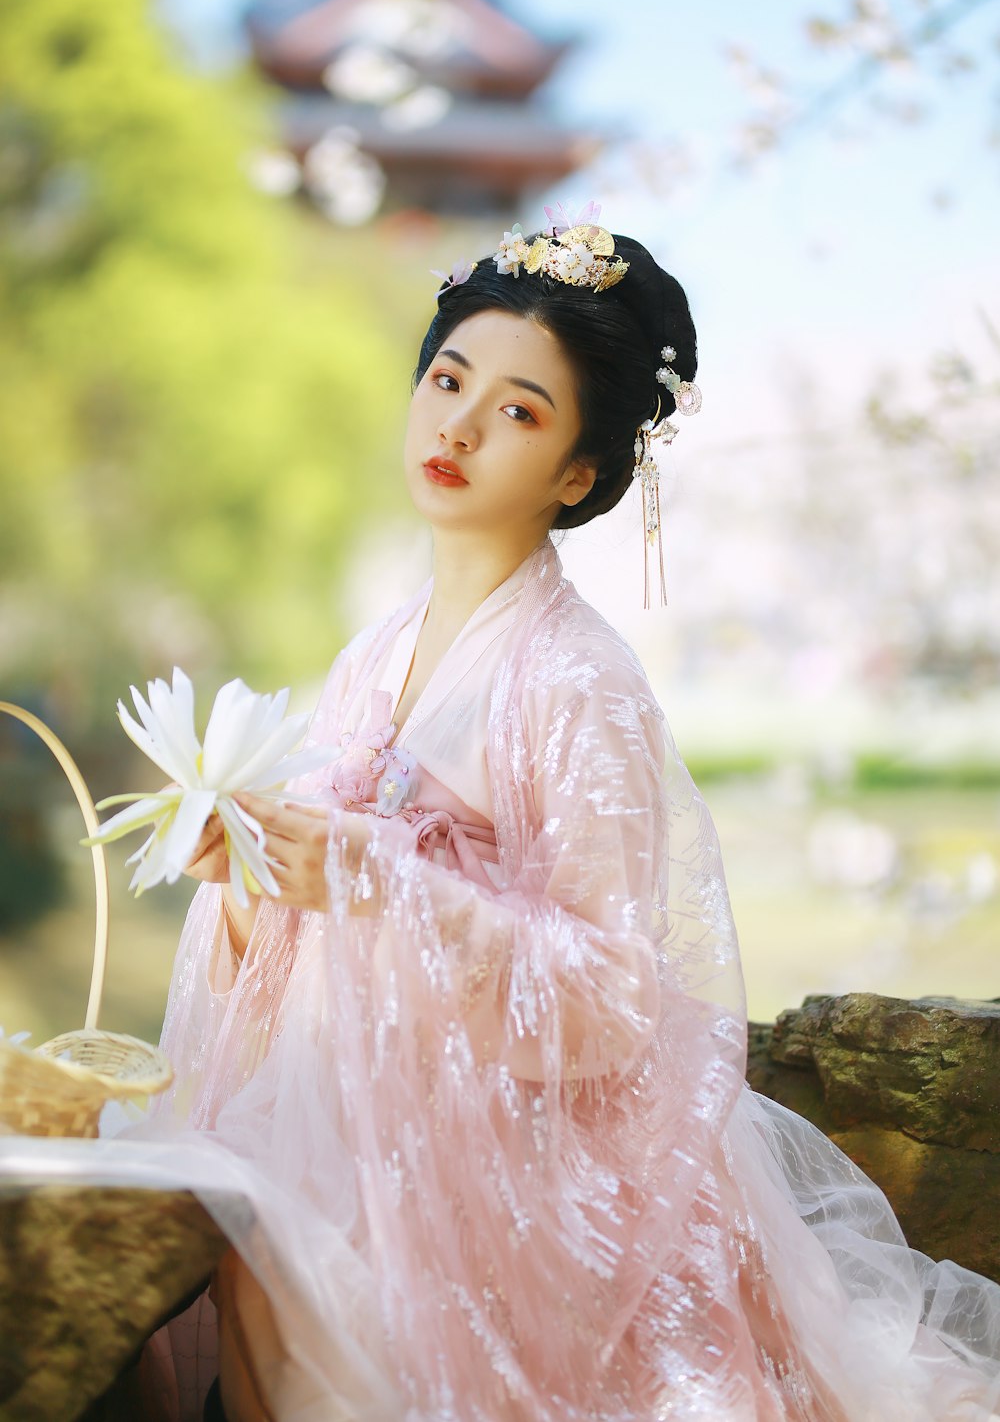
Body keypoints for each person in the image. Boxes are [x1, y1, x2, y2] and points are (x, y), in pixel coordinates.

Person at [6, 211, 1000, 1422]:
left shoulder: (577, 682)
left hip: (515, 1174)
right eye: (447, 378)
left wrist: (370, 875)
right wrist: (255, 881)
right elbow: (313, 929)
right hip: (351, 1127)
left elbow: (611, 1004)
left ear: (577, 474)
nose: (459, 425)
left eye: (520, 411)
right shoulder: (371, 657)